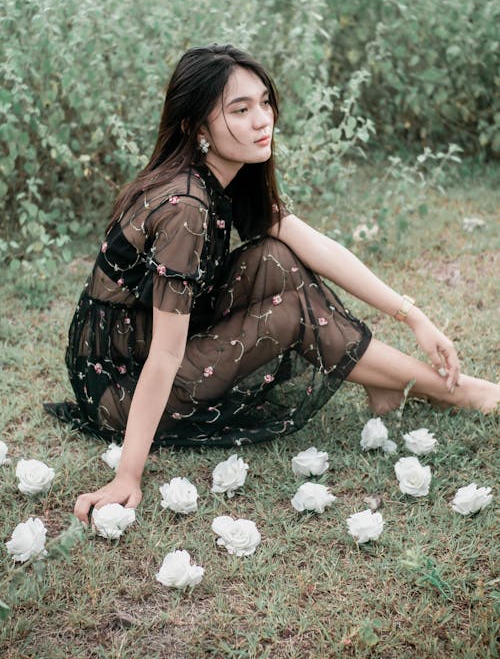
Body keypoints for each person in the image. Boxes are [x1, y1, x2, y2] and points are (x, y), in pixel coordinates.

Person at [44, 44, 499, 524]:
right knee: (286, 311)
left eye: (265, 102)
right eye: (240, 110)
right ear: (199, 129)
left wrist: (413, 314)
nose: (263, 120)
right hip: (123, 388)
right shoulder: (186, 207)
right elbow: (166, 353)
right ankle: (452, 390)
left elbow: (318, 247)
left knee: (277, 258)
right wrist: (127, 475)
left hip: (145, 349)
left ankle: (391, 383)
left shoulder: (227, 176)